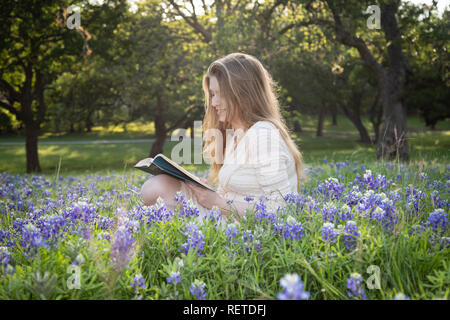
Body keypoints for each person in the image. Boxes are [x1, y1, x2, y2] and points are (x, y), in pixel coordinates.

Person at [140, 52, 305, 221]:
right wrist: (208, 192)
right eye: (212, 94)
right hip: (225, 216)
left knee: (157, 190)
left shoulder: (263, 135)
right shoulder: (236, 135)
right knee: (157, 186)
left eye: (220, 94)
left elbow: (282, 210)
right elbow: (234, 193)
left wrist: (215, 202)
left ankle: (176, 240)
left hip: (247, 231)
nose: (213, 103)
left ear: (244, 94)